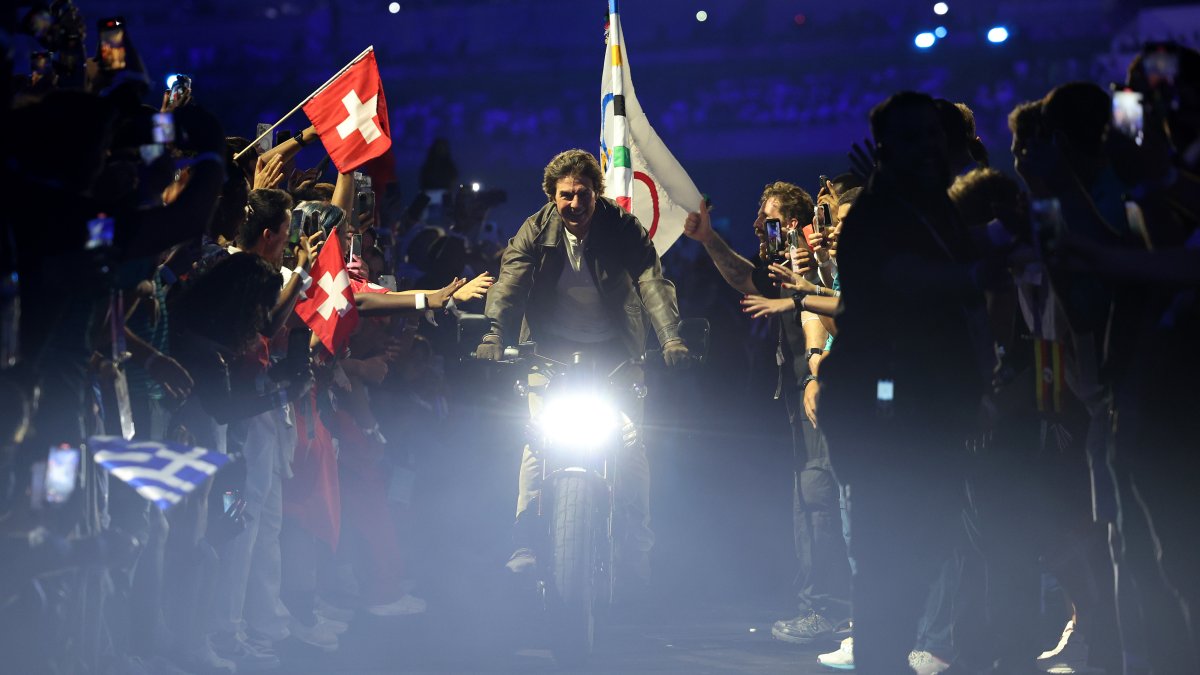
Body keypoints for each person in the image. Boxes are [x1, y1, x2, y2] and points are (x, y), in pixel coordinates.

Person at [475, 149, 689, 585]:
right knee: (537, 445)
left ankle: (637, 542)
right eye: (566, 195)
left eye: (584, 194)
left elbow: (651, 280)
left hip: (617, 355)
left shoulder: (623, 229)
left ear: (598, 193)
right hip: (549, 354)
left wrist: (671, 337)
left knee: (632, 447)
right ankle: (525, 539)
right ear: (552, 196)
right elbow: (510, 283)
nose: (575, 204)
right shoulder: (534, 231)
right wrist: (495, 334)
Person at [683, 182, 851, 645]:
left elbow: (827, 313)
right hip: (805, 394)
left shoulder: (817, 262)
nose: (758, 225)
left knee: (821, 497)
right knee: (809, 495)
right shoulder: (787, 264)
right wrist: (709, 240)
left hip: (825, 391)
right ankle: (823, 607)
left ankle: (833, 611)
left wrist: (817, 371)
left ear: (793, 224)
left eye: (768, 218)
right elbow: (745, 278)